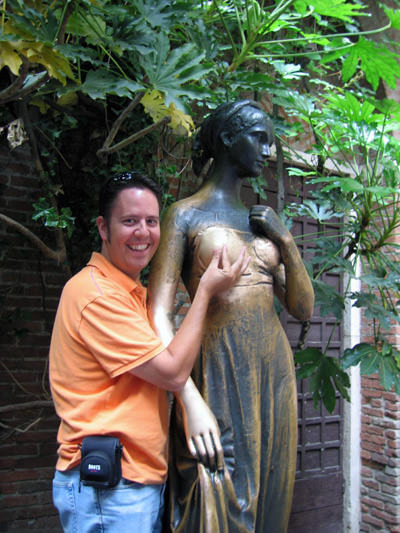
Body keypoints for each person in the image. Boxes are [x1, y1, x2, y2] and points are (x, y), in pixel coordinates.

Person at [49, 171, 250, 533]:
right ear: (103, 228)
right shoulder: (96, 296)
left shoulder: (130, 293)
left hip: (132, 481)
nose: (143, 232)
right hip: (109, 489)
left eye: (151, 221)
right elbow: (171, 370)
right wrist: (204, 292)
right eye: (129, 221)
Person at [148, 100, 315, 532]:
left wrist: (286, 241)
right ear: (227, 138)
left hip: (271, 367)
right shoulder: (184, 214)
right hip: (218, 366)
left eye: (270, 141)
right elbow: (158, 313)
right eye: (259, 138)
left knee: (270, 483)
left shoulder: (261, 221)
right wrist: (185, 393)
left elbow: (302, 308)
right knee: (219, 480)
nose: (267, 149)